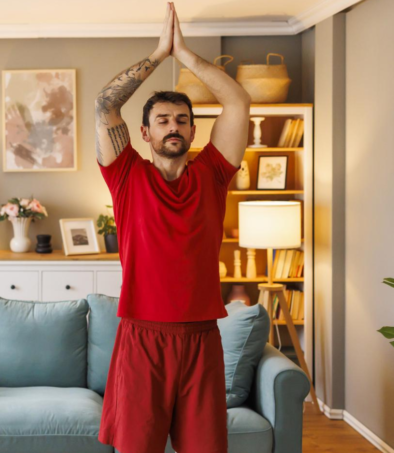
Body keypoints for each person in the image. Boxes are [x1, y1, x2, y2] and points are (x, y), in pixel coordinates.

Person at [94, 3, 251, 453]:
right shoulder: (126, 174)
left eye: (182, 119)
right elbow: (106, 103)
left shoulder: (213, 174)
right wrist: (159, 53)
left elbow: (238, 102)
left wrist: (187, 57)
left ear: (194, 130)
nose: (173, 126)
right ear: (144, 133)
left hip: (201, 338)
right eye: (162, 120)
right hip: (141, 338)